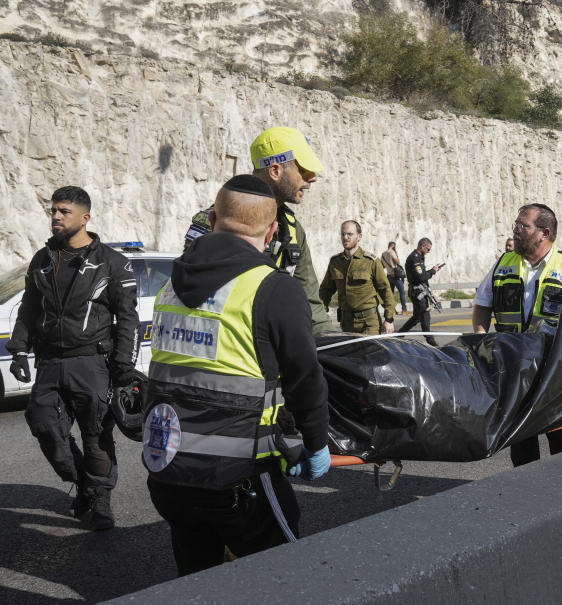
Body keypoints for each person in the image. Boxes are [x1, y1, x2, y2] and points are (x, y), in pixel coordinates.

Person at [144, 175, 331, 576]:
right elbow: (305, 378)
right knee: (281, 583)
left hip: (170, 470)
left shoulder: (169, 288)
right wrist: (316, 444)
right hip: (239, 478)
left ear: (212, 220)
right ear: (272, 231)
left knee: (197, 581)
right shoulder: (272, 288)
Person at [7, 186, 139, 530]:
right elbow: (29, 308)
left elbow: (127, 318)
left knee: (95, 434)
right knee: (44, 426)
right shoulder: (43, 259)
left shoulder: (112, 262)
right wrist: (19, 348)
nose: (56, 217)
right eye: (53, 211)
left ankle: (100, 498)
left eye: (64, 211)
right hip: (50, 361)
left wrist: (124, 366)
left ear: (85, 217)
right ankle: (83, 482)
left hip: (92, 363)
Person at [183, 126, 334, 339]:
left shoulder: (292, 230)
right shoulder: (216, 223)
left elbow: (310, 302)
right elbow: (194, 292)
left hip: (266, 352)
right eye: (303, 170)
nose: (312, 179)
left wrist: (332, 343)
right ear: (275, 171)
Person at [472, 203, 562, 466]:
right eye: (515, 225)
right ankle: (528, 497)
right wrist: (482, 339)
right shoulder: (503, 263)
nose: (516, 230)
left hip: (554, 371)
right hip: (514, 370)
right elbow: (482, 304)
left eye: (523, 226)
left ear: (545, 232)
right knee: (520, 444)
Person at [319, 220, 395, 335]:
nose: (345, 237)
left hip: (369, 323)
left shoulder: (371, 261)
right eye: (342, 234)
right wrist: (319, 314)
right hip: (346, 323)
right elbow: (325, 291)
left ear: (359, 236)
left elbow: (385, 289)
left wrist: (389, 319)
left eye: (350, 234)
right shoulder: (335, 262)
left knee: (370, 353)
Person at [398, 237, 445, 346]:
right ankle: (430, 339)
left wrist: (433, 270)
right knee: (424, 314)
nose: (429, 252)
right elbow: (421, 277)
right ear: (422, 246)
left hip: (420, 290)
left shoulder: (420, 257)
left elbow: (422, 275)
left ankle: (400, 334)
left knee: (417, 317)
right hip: (417, 291)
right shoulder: (414, 258)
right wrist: (433, 271)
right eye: (428, 249)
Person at [381, 241, 408, 314]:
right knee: (402, 292)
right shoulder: (392, 252)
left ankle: (392, 310)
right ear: (393, 246)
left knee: (390, 294)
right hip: (396, 276)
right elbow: (398, 262)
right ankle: (404, 310)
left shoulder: (383, 254)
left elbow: (383, 266)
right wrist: (396, 255)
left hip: (389, 275)